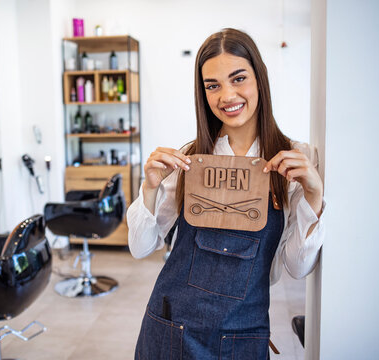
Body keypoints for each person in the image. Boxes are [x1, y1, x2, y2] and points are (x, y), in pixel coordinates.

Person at [127, 28, 325, 360]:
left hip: (242, 338)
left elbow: (297, 267)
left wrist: (313, 194)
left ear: (259, 78)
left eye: (238, 79)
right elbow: (140, 247)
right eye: (213, 86)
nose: (227, 96)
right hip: (171, 328)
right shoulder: (191, 159)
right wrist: (149, 187)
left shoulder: (292, 160)